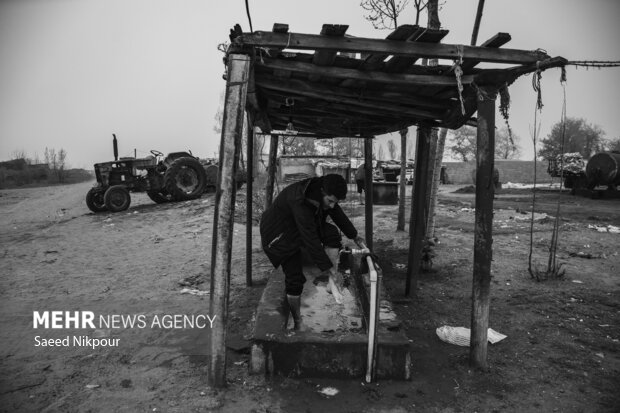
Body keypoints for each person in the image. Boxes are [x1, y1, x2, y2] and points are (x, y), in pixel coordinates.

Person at [260, 174, 365, 330]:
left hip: (296, 226)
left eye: (334, 202)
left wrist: (356, 237)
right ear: (322, 192)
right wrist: (328, 268)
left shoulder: (321, 191)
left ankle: (332, 283)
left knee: (330, 233)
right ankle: (297, 322)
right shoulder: (300, 200)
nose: (331, 206)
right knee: (295, 279)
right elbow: (310, 239)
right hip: (278, 236)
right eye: (330, 201)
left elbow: (337, 214)